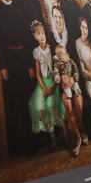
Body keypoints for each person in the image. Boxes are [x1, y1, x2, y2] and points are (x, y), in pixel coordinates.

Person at [0, 0, 35, 157]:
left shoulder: (19, 9)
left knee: (29, 100)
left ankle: (34, 143)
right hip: (9, 62)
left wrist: (31, 64)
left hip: (24, 59)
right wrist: (2, 66)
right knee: (15, 104)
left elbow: (27, 37)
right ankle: (20, 148)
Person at [28, 20, 65, 149]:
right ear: (35, 37)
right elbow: (38, 73)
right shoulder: (36, 52)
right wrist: (43, 88)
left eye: (42, 33)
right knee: (39, 107)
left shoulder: (51, 49)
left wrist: (52, 86)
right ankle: (52, 135)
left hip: (53, 81)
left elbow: (57, 70)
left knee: (51, 105)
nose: (41, 35)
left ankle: (64, 133)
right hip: (43, 82)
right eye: (38, 34)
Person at [52, 43, 83, 156]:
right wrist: (58, 77)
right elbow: (55, 71)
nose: (61, 57)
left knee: (77, 91)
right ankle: (77, 137)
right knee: (68, 98)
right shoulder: (57, 63)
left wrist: (75, 76)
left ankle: (81, 131)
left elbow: (75, 67)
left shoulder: (70, 60)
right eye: (59, 55)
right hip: (64, 85)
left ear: (65, 53)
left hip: (73, 81)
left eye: (62, 54)